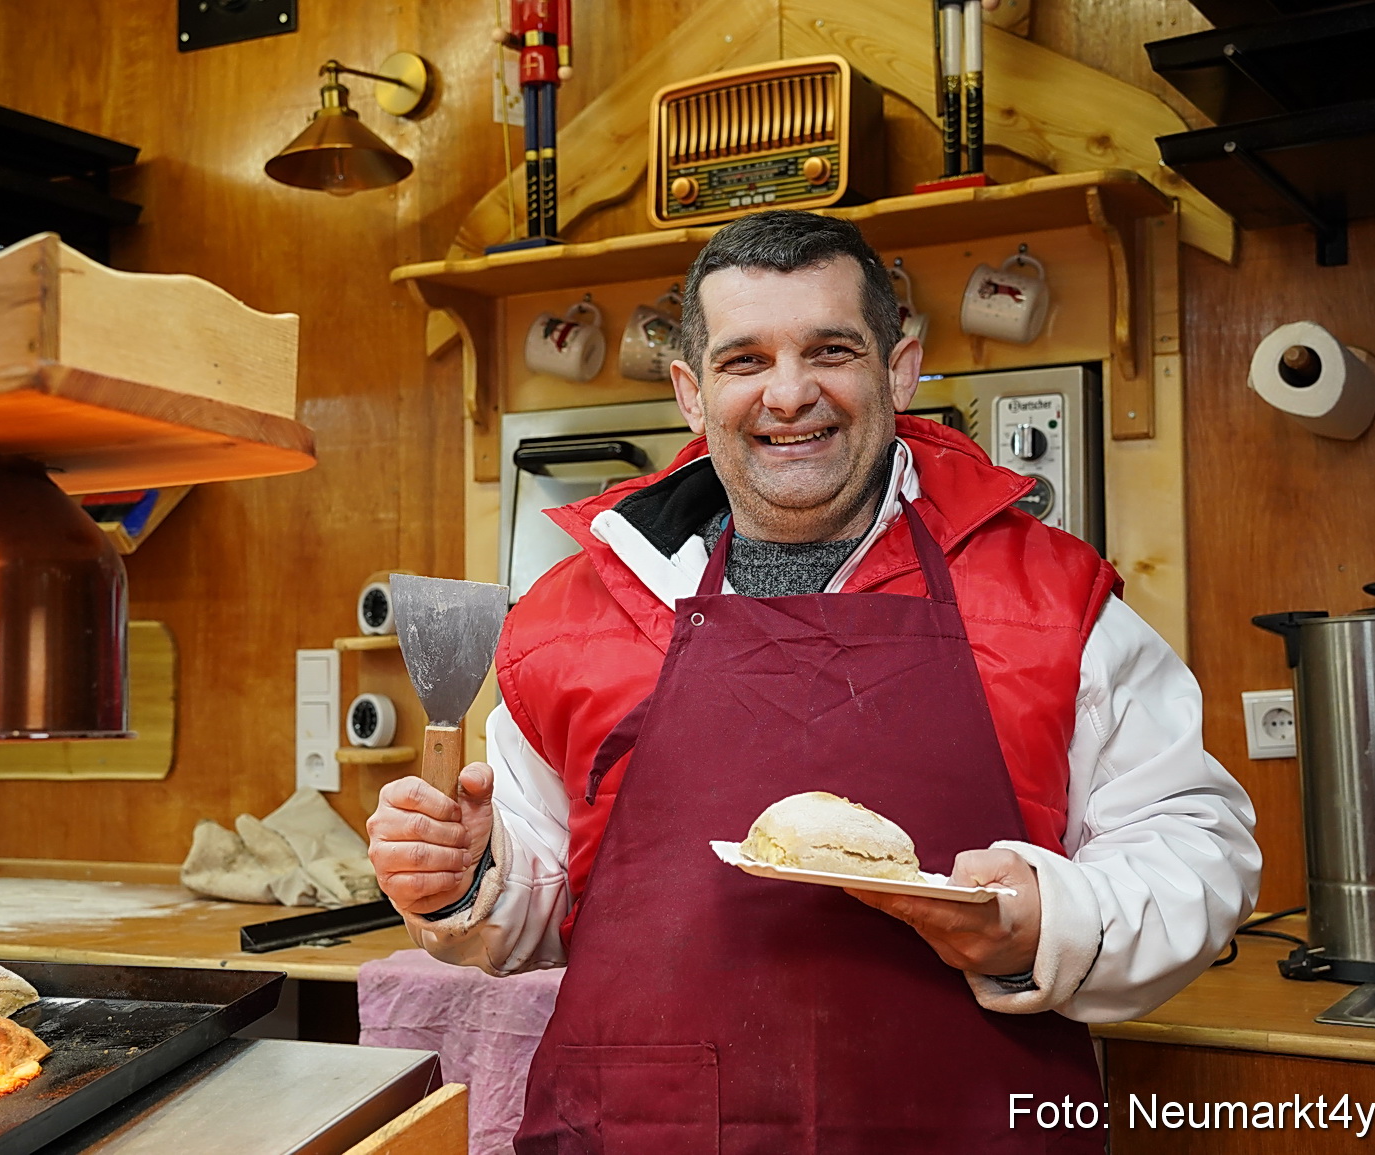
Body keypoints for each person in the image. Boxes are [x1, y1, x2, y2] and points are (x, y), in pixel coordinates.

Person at [367, 209, 1260, 1153]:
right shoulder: (570, 617)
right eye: (744, 360)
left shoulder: (1049, 599)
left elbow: (1195, 845)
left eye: (829, 349)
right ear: (691, 391)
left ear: (899, 368)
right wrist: (463, 876)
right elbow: (532, 897)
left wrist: (1049, 921)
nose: (788, 394)